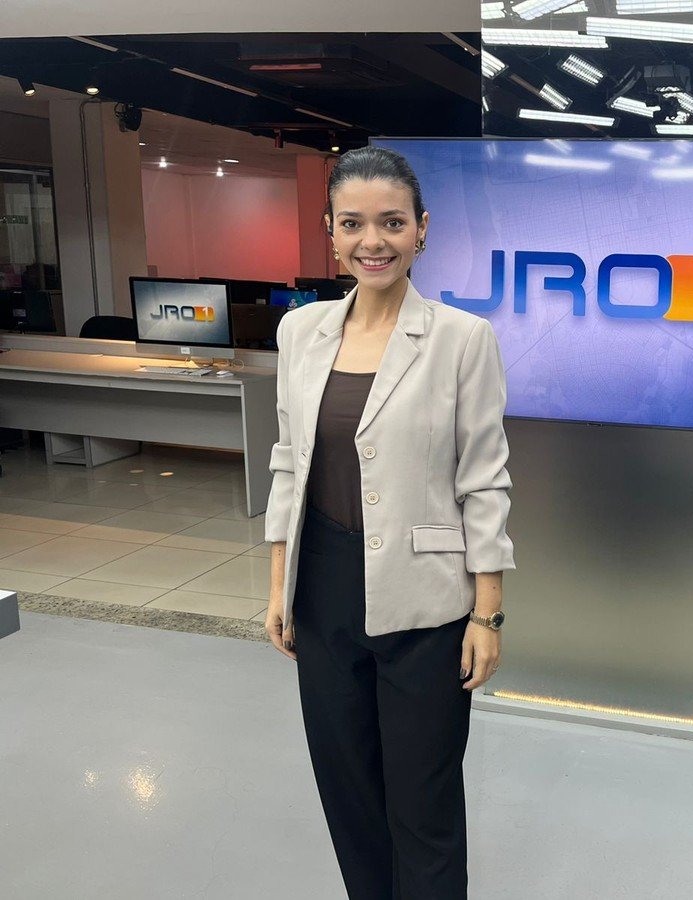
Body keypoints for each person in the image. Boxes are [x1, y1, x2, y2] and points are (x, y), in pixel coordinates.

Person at [262, 146, 516, 900]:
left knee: (423, 803)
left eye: (392, 223)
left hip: (426, 602)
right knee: (349, 793)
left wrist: (487, 613)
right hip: (323, 590)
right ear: (331, 232)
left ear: (421, 229)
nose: (373, 241)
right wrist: (278, 586)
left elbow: (484, 480)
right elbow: (288, 464)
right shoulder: (300, 332)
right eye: (353, 224)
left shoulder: (461, 338)